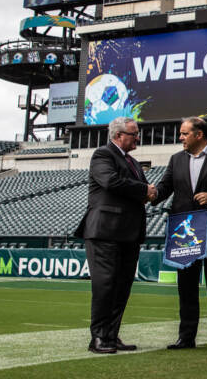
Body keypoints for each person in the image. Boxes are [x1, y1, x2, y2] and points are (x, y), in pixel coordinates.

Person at [153, 117, 207, 353]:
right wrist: (150, 194)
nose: (180, 138)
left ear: (199, 134)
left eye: (184, 133)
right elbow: (165, 188)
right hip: (185, 233)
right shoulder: (176, 159)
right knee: (187, 288)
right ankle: (186, 337)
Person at [74, 116, 155, 354]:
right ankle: (98, 337)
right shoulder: (103, 155)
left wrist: (149, 192)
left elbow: (143, 190)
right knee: (105, 285)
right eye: (134, 133)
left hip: (129, 233)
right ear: (119, 135)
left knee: (122, 287)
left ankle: (111, 334)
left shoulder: (134, 163)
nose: (138, 137)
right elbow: (110, 181)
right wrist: (143, 190)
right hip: (105, 231)